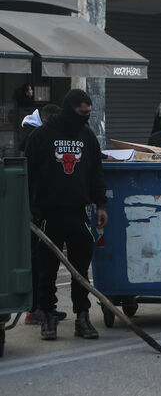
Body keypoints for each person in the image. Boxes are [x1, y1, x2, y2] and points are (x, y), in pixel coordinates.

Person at [25, 89, 108, 340]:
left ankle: (82, 316)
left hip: (78, 213)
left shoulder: (87, 136)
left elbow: (96, 173)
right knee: (46, 269)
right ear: (70, 108)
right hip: (48, 214)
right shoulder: (41, 136)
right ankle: (48, 316)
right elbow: (28, 175)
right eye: (82, 113)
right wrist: (28, 210)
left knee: (81, 269)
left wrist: (101, 204)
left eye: (89, 113)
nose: (86, 117)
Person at [19, 103, 62, 326]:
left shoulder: (36, 134)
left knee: (45, 260)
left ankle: (45, 306)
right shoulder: (32, 137)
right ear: (45, 121)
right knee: (38, 261)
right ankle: (35, 309)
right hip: (35, 207)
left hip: (41, 205)